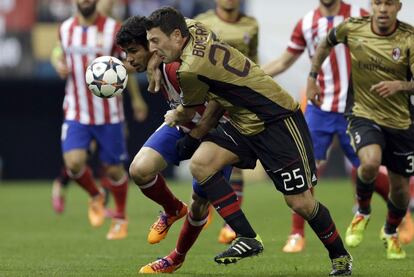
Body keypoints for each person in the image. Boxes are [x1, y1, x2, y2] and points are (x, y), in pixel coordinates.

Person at [143, 7, 352, 276]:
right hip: (243, 120)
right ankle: (246, 237)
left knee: (300, 203)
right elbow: (177, 26)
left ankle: (340, 256)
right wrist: (155, 59)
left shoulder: (191, 70)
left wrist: (184, 126)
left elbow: (191, 111)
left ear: (175, 36)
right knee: (202, 164)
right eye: (149, 43)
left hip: (276, 120)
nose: (153, 48)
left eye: (156, 42)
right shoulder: (195, 28)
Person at [261, 0, 394, 253]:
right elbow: (284, 61)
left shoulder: (360, 16)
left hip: (355, 110)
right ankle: (296, 234)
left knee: (370, 168)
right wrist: (248, 77)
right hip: (319, 109)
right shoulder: (307, 23)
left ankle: (401, 218)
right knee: (304, 169)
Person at [115, 16, 234, 273]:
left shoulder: (181, 65)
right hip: (181, 124)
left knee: (200, 204)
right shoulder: (163, 63)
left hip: (217, 130)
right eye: (126, 53)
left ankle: (176, 258)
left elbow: (221, 96)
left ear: (152, 44)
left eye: (133, 51)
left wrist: (200, 131)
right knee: (139, 169)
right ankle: (172, 209)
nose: (129, 60)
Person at [307, 0, 414, 259]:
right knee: (370, 162)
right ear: (372, 6)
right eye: (379, 2)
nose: (384, 8)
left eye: (389, 3)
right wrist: (312, 78)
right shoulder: (352, 28)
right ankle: (362, 211)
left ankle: (389, 230)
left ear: (398, 7)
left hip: (400, 121)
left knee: (400, 191)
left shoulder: (409, 38)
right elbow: (325, 43)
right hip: (362, 114)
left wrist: (400, 85)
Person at [51, 0, 144, 240]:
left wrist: (114, 69)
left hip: (109, 114)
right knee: (73, 162)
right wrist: (59, 65)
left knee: (114, 171)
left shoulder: (114, 29)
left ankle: (121, 217)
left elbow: (134, 62)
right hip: (76, 110)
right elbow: (58, 54)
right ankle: (96, 195)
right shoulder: (65, 29)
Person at [194, 0, 259, 244]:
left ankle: (229, 226)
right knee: (205, 156)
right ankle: (204, 202)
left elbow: (253, 63)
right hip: (209, 100)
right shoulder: (203, 21)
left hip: (239, 101)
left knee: (236, 160)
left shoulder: (251, 24)